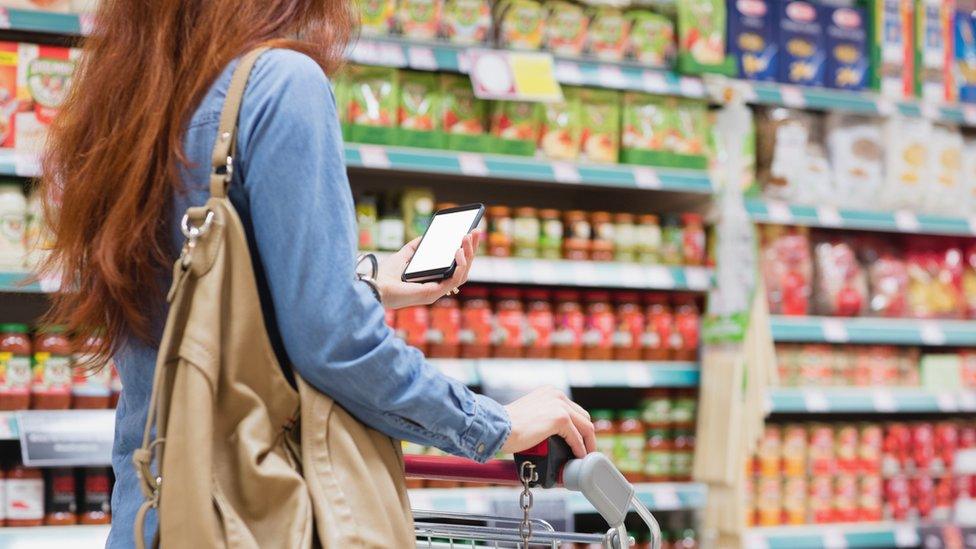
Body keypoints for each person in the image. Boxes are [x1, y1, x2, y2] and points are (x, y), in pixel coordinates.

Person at [38, 1, 596, 546]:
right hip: (258, 517)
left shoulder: (132, 102)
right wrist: (494, 423)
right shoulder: (283, 82)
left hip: (154, 512)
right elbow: (334, 345)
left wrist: (369, 281)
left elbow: (202, 301)